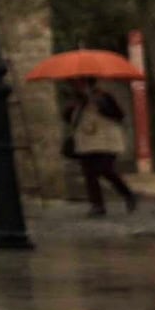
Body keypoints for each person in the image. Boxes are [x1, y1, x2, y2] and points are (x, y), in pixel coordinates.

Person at [62, 75, 141, 215]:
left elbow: (118, 115)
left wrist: (99, 104)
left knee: (105, 169)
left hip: (107, 140)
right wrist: (73, 107)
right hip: (86, 141)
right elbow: (69, 119)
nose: (75, 86)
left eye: (78, 83)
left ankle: (128, 194)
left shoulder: (103, 96)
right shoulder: (76, 101)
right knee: (89, 174)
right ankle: (97, 205)